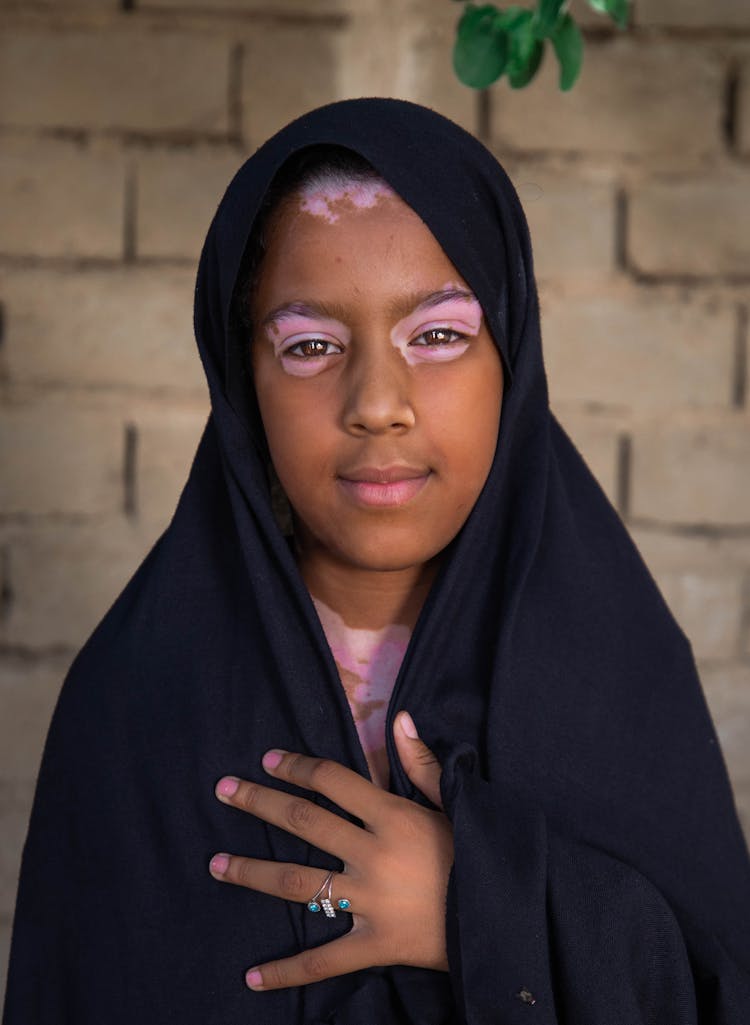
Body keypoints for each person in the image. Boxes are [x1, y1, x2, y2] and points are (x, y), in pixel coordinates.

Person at [3, 98, 750, 1025]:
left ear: (511, 360)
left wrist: (479, 906)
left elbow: (719, 990)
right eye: (311, 345)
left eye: (437, 335)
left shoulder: (616, 675)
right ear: (245, 386)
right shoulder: (136, 701)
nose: (379, 403)